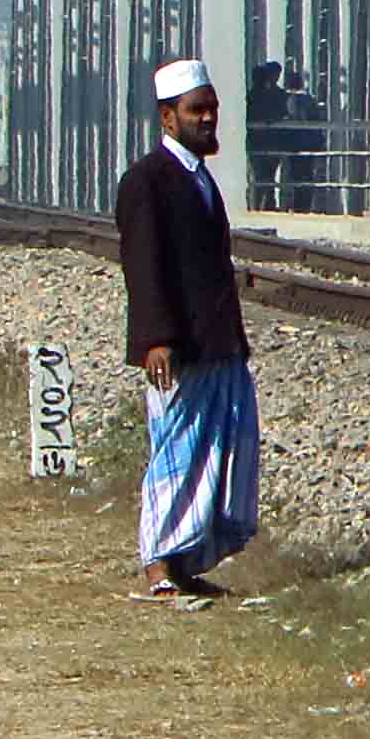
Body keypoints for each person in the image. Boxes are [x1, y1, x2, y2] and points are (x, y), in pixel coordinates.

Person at [116, 57, 262, 600]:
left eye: (212, 109)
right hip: (179, 349)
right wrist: (156, 338)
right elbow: (145, 265)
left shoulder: (198, 180)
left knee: (221, 451)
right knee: (176, 454)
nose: (207, 119)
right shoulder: (147, 181)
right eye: (196, 110)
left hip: (218, 344)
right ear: (168, 118)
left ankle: (186, 563)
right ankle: (158, 564)